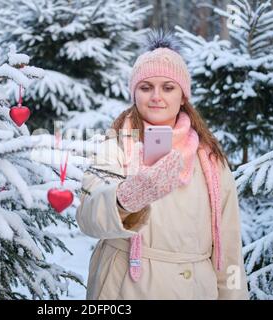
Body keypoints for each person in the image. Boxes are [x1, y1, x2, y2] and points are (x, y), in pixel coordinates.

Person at [76, 30, 249, 300]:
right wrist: (125, 200)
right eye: (146, 87)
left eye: (168, 87)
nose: (156, 96)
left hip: (193, 289)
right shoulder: (116, 145)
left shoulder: (210, 159)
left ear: (183, 97)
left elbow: (229, 248)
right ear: (134, 94)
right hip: (123, 286)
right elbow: (87, 216)